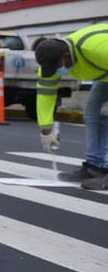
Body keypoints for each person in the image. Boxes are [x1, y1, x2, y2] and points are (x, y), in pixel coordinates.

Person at [34, 23, 108, 191]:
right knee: (92, 112)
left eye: (56, 66)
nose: (54, 71)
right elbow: (45, 96)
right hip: (105, 74)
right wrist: (46, 131)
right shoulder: (51, 64)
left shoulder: (96, 49)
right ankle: (94, 167)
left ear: (66, 56)